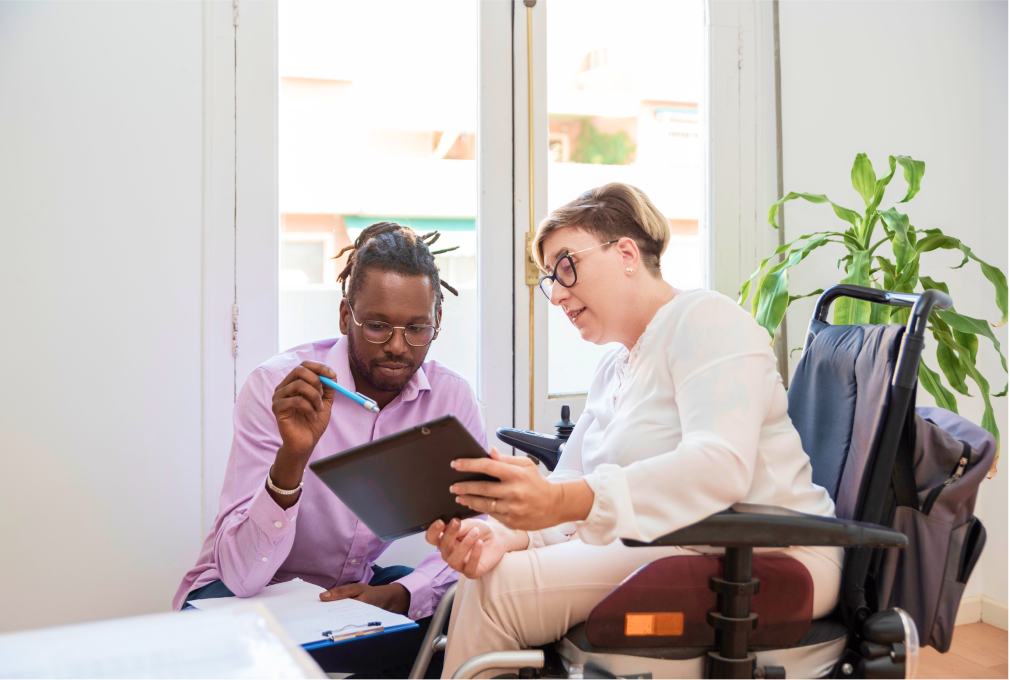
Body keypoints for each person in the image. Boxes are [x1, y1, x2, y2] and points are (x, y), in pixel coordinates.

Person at [425, 183, 843, 680]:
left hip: (764, 553)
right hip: (667, 542)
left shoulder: (707, 320)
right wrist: (503, 533)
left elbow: (719, 467)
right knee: (487, 572)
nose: (556, 293)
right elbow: (572, 478)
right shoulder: (613, 367)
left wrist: (558, 506)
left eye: (565, 265)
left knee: (496, 593)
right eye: (549, 279)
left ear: (625, 252)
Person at [174, 223, 484, 680]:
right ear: (345, 317)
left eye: (417, 329)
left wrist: (402, 593)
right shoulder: (278, 388)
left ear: (437, 320)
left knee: (455, 626)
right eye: (377, 326)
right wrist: (293, 458)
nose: (398, 347)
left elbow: (478, 531)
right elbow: (241, 575)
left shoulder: (450, 399)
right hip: (239, 593)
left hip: (344, 597)